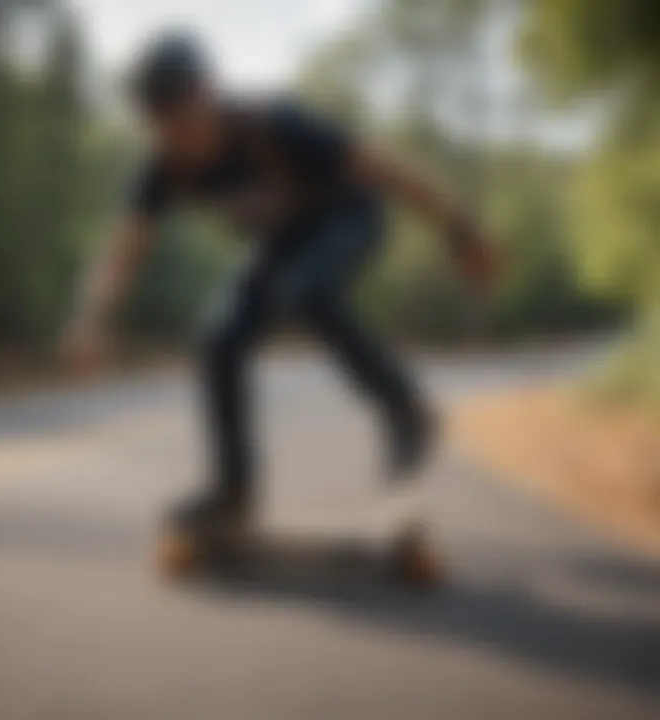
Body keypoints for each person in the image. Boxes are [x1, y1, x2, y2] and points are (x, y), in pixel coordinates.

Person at [62, 32, 498, 536]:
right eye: (160, 125)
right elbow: (124, 251)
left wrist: (461, 230)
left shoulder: (272, 122)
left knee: (305, 291)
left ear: (208, 93)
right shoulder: (162, 165)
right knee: (218, 339)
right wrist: (90, 319)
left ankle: (405, 413)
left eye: (183, 119)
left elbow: (386, 169)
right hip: (285, 243)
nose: (178, 138)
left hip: (350, 214)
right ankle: (233, 493)